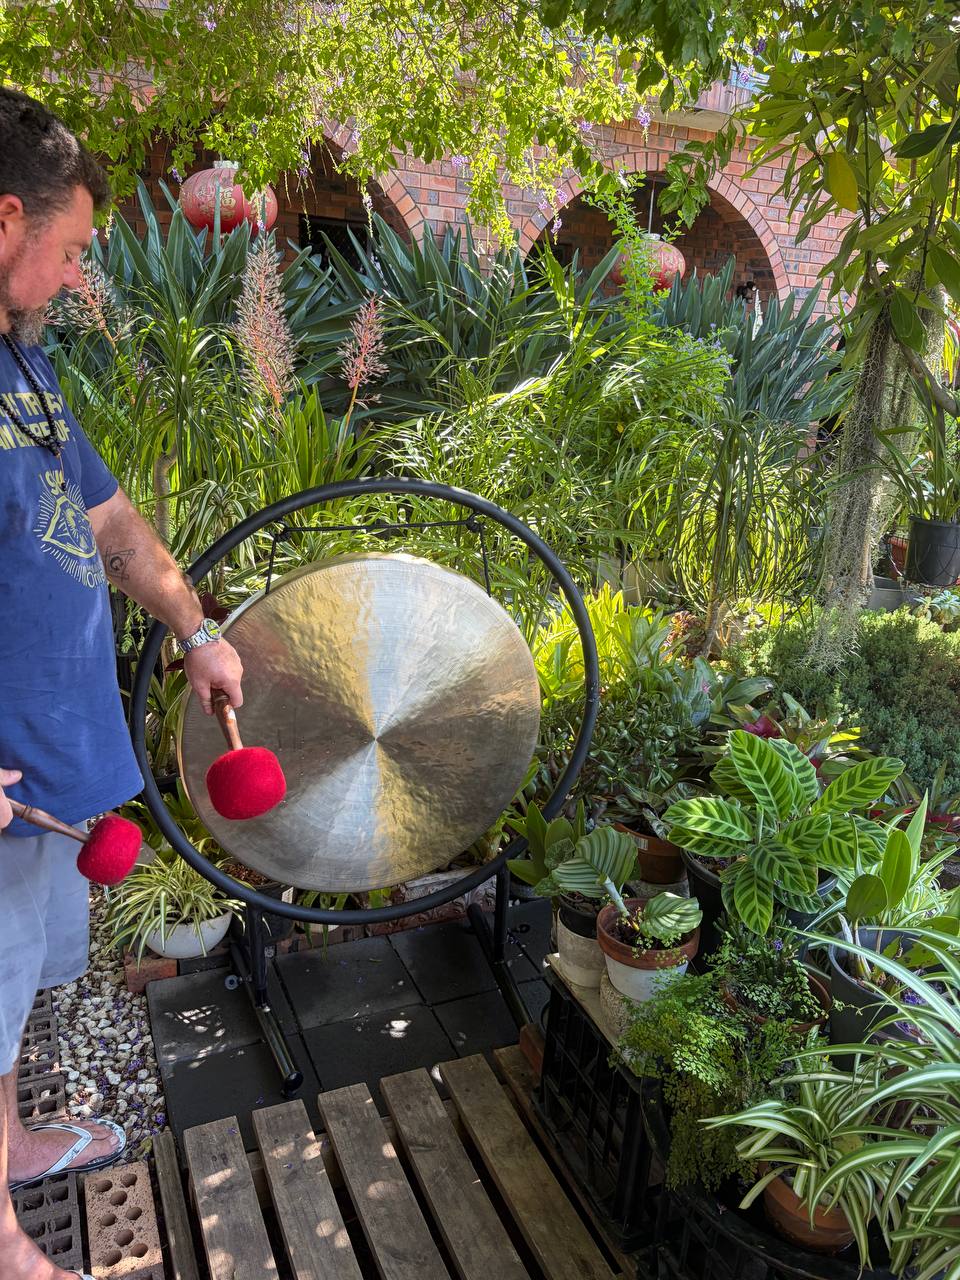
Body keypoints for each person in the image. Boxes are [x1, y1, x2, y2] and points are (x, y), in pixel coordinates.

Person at [0, 88, 244, 1280]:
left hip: (42, 776)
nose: (75, 274)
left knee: (17, 987)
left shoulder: (27, 371)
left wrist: (199, 632)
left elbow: (112, 521)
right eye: (74, 247)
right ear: (6, 222)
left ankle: (11, 1145)